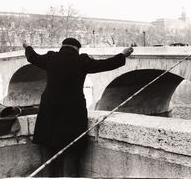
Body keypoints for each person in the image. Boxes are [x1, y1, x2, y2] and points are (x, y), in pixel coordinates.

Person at [23, 38, 133, 177]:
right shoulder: (82, 61)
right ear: (77, 49)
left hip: (49, 113)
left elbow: (32, 57)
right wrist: (123, 55)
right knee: (72, 154)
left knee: (48, 153)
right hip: (73, 114)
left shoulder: (51, 58)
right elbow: (106, 64)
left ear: (62, 46)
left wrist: (27, 46)